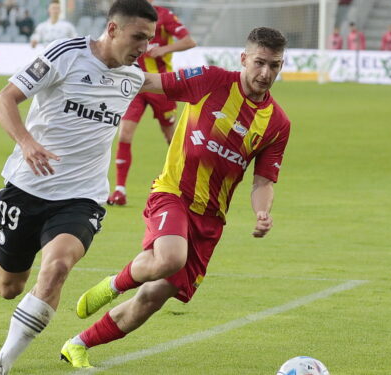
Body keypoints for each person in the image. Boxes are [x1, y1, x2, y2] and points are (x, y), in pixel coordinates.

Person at [60, 26, 291, 368]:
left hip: (211, 219)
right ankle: (113, 284)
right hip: (173, 192)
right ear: (243, 59)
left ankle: (77, 345)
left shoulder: (277, 123)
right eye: (259, 63)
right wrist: (103, 65)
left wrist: (262, 213)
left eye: (274, 65)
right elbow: (154, 83)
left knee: (153, 297)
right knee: (170, 258)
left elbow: (263, 182)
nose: (265, 73)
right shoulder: (211, 80)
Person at [0, 1, 157, 374]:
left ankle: (0, 364)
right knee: (10, 285)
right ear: (113, 29)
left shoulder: (132, 76)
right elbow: (3, 99)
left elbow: (181, 85)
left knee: (57, 268)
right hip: (27, 187)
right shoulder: (65, 55)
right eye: (138, 37)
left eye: (149, 40)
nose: (144, 47)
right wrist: (26, 142)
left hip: (82, 198)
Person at [108, 0, 196, 206]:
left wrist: (165, 49)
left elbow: (189, 41)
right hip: (135, 84)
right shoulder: (129, 16)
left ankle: (187, 184)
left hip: (161, 86)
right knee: (125, 134)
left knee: (172, 139)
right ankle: (119, 190)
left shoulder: (164, 16)